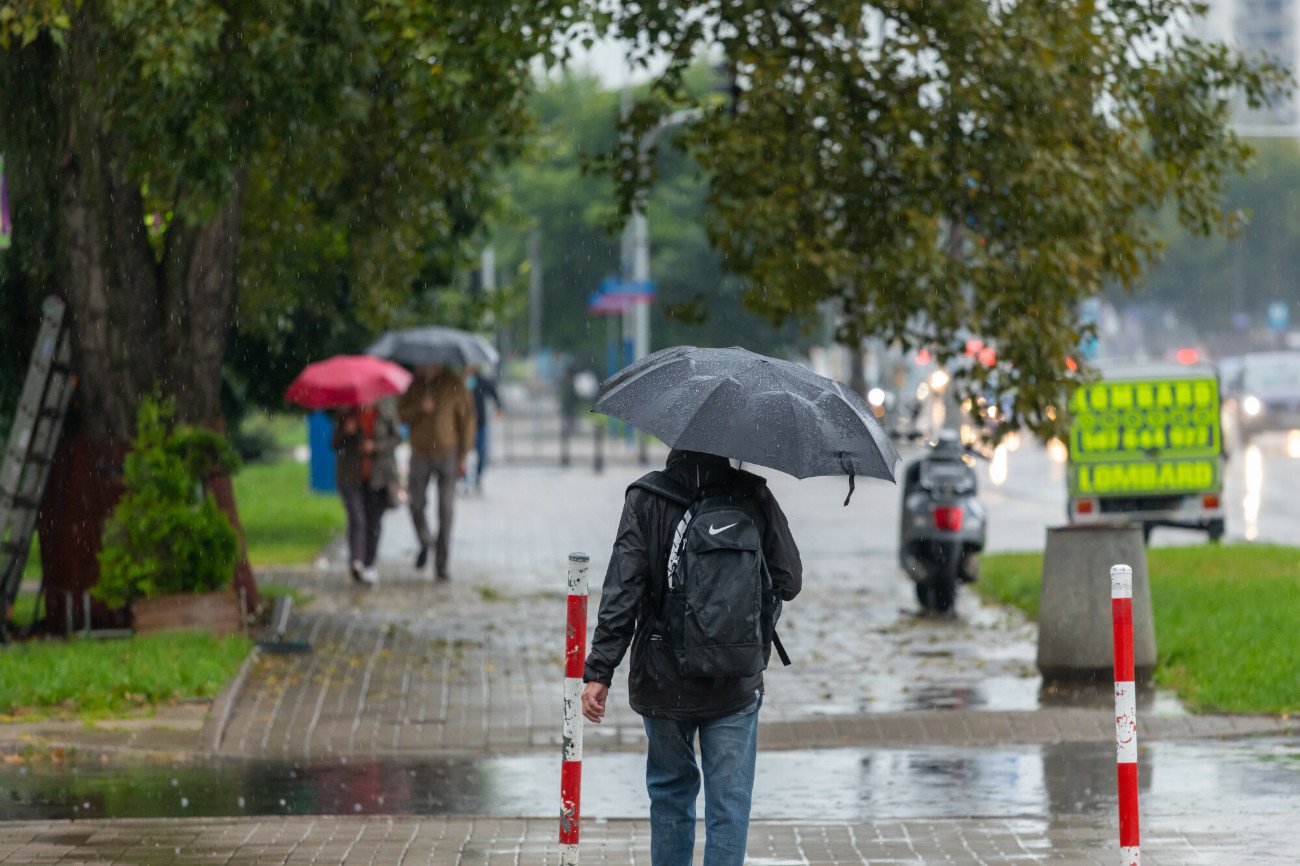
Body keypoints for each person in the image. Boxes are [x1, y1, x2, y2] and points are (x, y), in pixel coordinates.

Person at [581, 449, 802, 866]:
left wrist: (600, 671)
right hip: (735, 681)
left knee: (670, 794)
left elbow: (622, 592)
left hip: (664, 681)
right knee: (728, 808)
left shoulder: (646, 498)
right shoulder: (753, 495)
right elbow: (789, 579)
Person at [397, 364, 475, 579]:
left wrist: (464, 454)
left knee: (446, 510)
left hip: (448, 454)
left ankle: (442, 565)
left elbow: (467, 420)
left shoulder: (455, 385)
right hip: (420, 453)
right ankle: (426, 541)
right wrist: (420, 408)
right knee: (415, 504)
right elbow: (401, 414)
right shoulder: (414, 385)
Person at [331, 400, 401, 585]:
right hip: (352, 477)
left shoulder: (386, 413)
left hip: (379, 476)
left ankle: (369, 563)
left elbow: (397, 439)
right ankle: (356, 561)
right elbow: (335, 444)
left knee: (374, 521)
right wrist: (346, 432)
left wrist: (375, 446)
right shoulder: (347, 413)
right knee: (357, 518)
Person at [464, 364, 502, 494]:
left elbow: (494, 394)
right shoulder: (461, 382)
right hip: (464, 425)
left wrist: (499, 407)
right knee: (464, 453)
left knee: (481, 453)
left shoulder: (482, 382)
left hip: (479, 424)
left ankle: (478, 478)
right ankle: (464, 478)